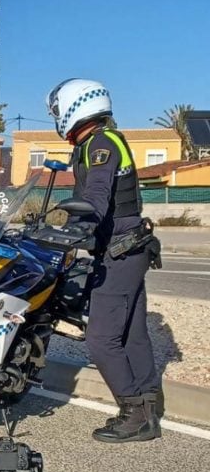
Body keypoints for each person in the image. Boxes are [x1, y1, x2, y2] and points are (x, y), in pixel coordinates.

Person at [46, 78, 162, 443]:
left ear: (74, 106)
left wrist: (73, 231)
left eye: (57, 110)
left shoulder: (101, 144)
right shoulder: (97, 143)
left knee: (100, 338)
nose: (55, 117)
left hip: (121, 250)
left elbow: (95, 197)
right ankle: (149, 405)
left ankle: (134, 412)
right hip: (128, 248)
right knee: (132, 333)